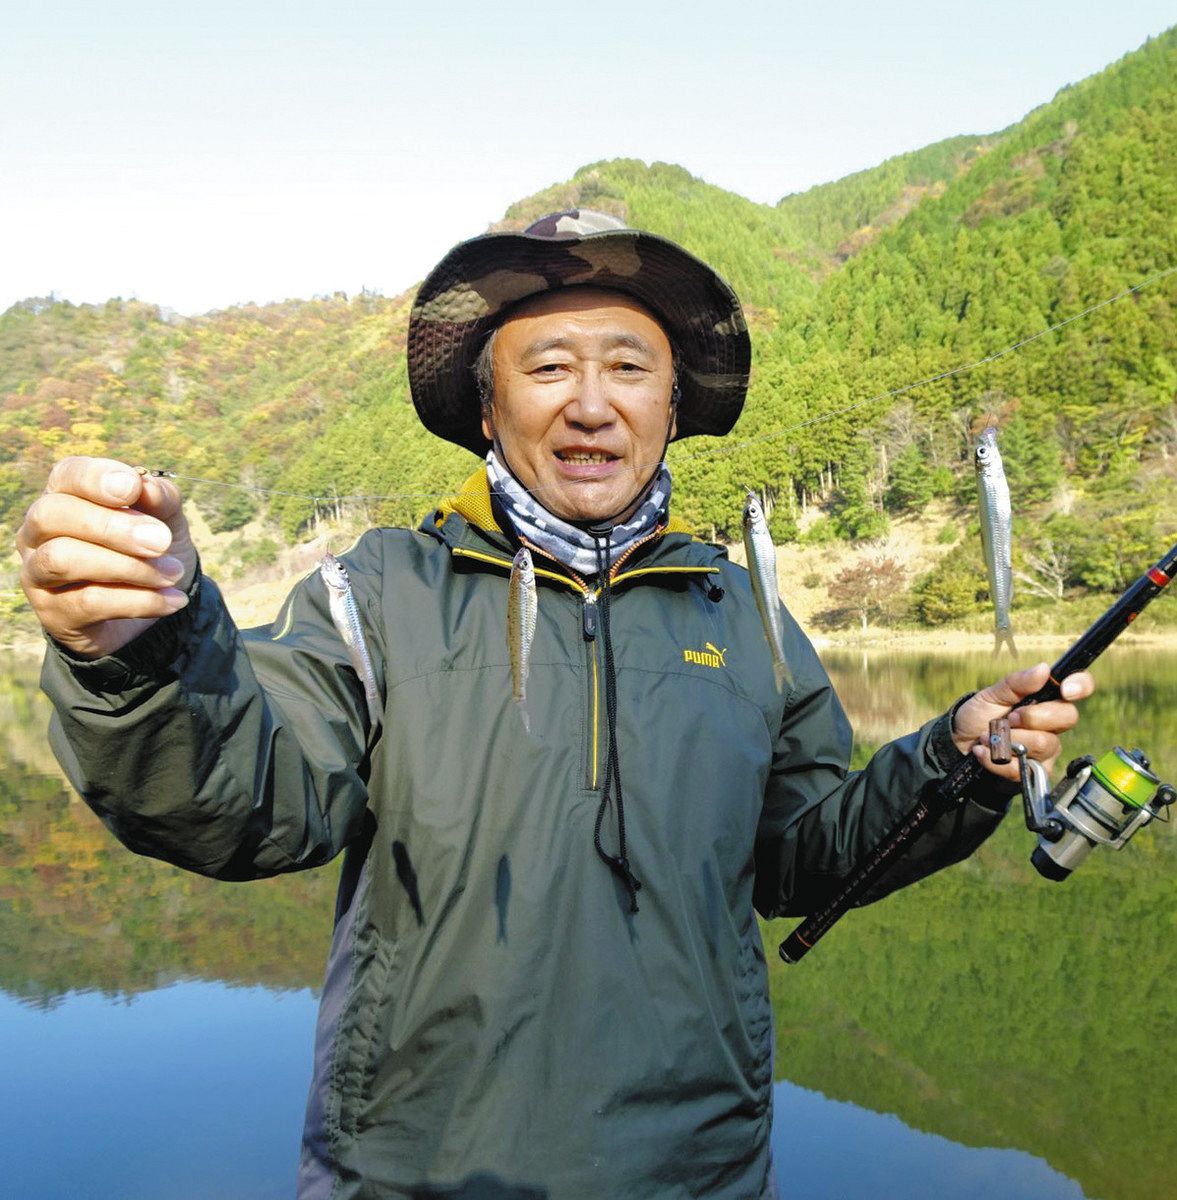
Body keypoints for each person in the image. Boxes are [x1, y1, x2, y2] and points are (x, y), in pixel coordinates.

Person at [18, 210, 1093, 1200]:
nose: (591, 401)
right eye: (548, 367)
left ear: (671, 408)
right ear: (488, 406)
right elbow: (245, 807)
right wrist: (142, 655)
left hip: (701, 1171)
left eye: (630, 366)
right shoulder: (378, 592)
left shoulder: (751, 614)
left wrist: (956, 761)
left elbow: (801, 860)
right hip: (417, 1171)